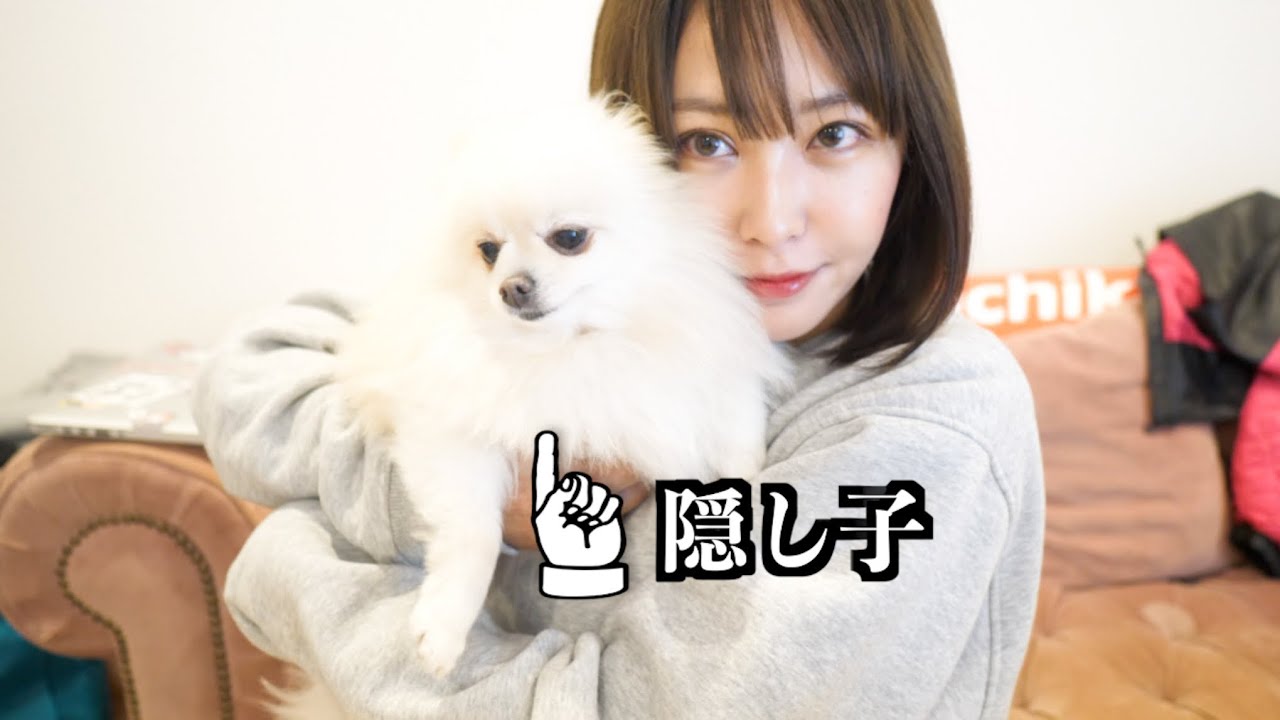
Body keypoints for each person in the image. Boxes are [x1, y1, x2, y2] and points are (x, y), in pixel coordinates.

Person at [193, 0, 1045, 718]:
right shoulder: (546, 297)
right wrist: (474, 505)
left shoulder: (929, 421)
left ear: (914, 144)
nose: (771, 220)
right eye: (708, 142)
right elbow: (246, 375)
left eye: (837, 132)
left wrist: (299, 574)